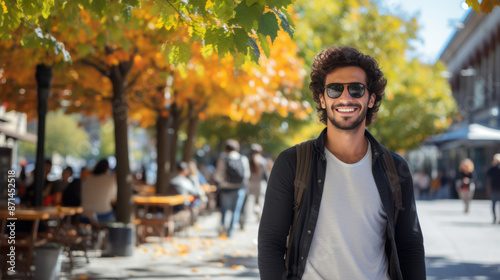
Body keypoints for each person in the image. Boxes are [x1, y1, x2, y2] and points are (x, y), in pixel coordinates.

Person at [258, 46, 425, 279]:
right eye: (334, 89)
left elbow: (410, 246)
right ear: (322, 99)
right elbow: (271, 243)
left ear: (371, 99)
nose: (345, 97)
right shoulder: (292, 163)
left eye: (356, 89)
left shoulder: (395, 168)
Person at [213, 139, 250, 237]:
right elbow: (247, 174)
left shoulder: (223, 158)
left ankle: (223, 229)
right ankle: (231, 231)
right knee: (236, 211)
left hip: (226, 188)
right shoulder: (243, 158)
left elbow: (217, 175)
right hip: (239, 188)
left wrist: (224, 182)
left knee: (224, 209)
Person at [81, 159, 117, 224]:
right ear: (107, 169)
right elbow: (113, 199)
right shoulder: (111, 180)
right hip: (103, 214)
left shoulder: (87, 179)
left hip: (85, 214)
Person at [247, 143, 269, 219]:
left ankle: (247, 217)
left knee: (249, 201)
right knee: (259, 201)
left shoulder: (248, 160)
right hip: (260, 183)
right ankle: (259, 214)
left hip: (250, 183)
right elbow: (265, 174)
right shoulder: (263, 161)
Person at [486, 154, 500, 223]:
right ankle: (495, 218)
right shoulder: (493, 168)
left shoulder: (493, 168)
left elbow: (486, 173)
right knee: (495, 205)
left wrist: (492, 165)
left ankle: (495, 218)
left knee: (494, 205)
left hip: (495, 188)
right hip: (495, 189)